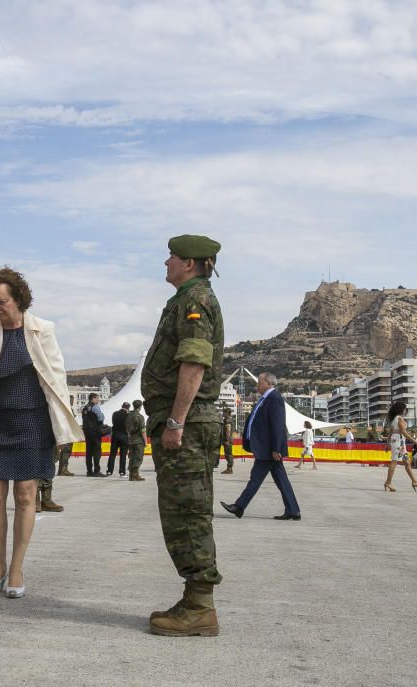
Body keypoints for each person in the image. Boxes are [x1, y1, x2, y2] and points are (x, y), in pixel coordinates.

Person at [0, 267, 82, 598]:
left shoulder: (42, 330)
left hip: (33, 421)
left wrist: (61, 428)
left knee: (26, 494)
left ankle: (16, 567)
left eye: (1, 302)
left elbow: (57, 380)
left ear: (18, 299)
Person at [142, 234, 224, 638]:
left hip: (187, 426)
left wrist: (176, 422)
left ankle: (200, 606)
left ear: (189, 263)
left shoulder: (195, 301)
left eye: (171, 257)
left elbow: (193, 362)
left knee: (188, 513)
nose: (166, 263)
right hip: (184, 424)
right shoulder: (186, 299)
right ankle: (194, 597)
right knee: (180, 512)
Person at [221, 372, 301, 520]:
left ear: (269, 384)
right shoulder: (265, 399)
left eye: (260, 382)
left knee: (255, 478)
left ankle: (239, 506)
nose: (257, 385)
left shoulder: (274, 398)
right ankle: (293, 510)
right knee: (281, 480)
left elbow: (277, 425)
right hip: (267, 448)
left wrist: (276, 448)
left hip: (269, 449)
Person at [382, 400, 417, 492]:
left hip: (398, 441)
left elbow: (390, 433)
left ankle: (414, 481)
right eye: (405, 409)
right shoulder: (400, 418)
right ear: (401, 410)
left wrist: (387, 444)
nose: (405, 411)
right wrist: (415, 442)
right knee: (394, 461)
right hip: (398, 442)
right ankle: (388, 482)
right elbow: (403, 432)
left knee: (407, 462)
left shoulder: (394, 419)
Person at [81, 393, 105, 476]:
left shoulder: (85, 408)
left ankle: (89, 471)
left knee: (89, 452)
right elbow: (100, 418)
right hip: (95, 432)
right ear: (93, 398)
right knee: (97, 451)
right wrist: (102, 415)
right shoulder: (95, 407)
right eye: (97, 398)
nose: (98, 400)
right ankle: (97, 471)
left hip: (87, 432)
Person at [106, 402, 130, 476]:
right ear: (128, 408)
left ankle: (109, 471)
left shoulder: (115, 413)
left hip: (115, 435)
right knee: (123, 455)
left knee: (112, 454)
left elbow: (113, 422)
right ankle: (122, 472)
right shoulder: (128, 415)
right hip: (124, 436)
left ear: (121, 406)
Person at [125, 399, 147, 481]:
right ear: (140, 406)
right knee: (138, 457)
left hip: (130, 439)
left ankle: (132, 475)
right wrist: (145, 441)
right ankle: (134, 475)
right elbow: (143, 430)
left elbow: (127, 428)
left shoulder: (128, 415)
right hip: (138, 440)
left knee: (132, 457)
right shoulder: (139, 416)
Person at [219, 408, 234, 474]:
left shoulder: (227, 420)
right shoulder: (227, 420)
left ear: (227, 413)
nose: (223, 413)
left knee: (228, 455)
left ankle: (229, 469)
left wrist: (227, 440)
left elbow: (228, 430)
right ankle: (229, 468)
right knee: (228, 454)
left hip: (228, 440)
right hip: (228, 440)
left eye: (224, 412)